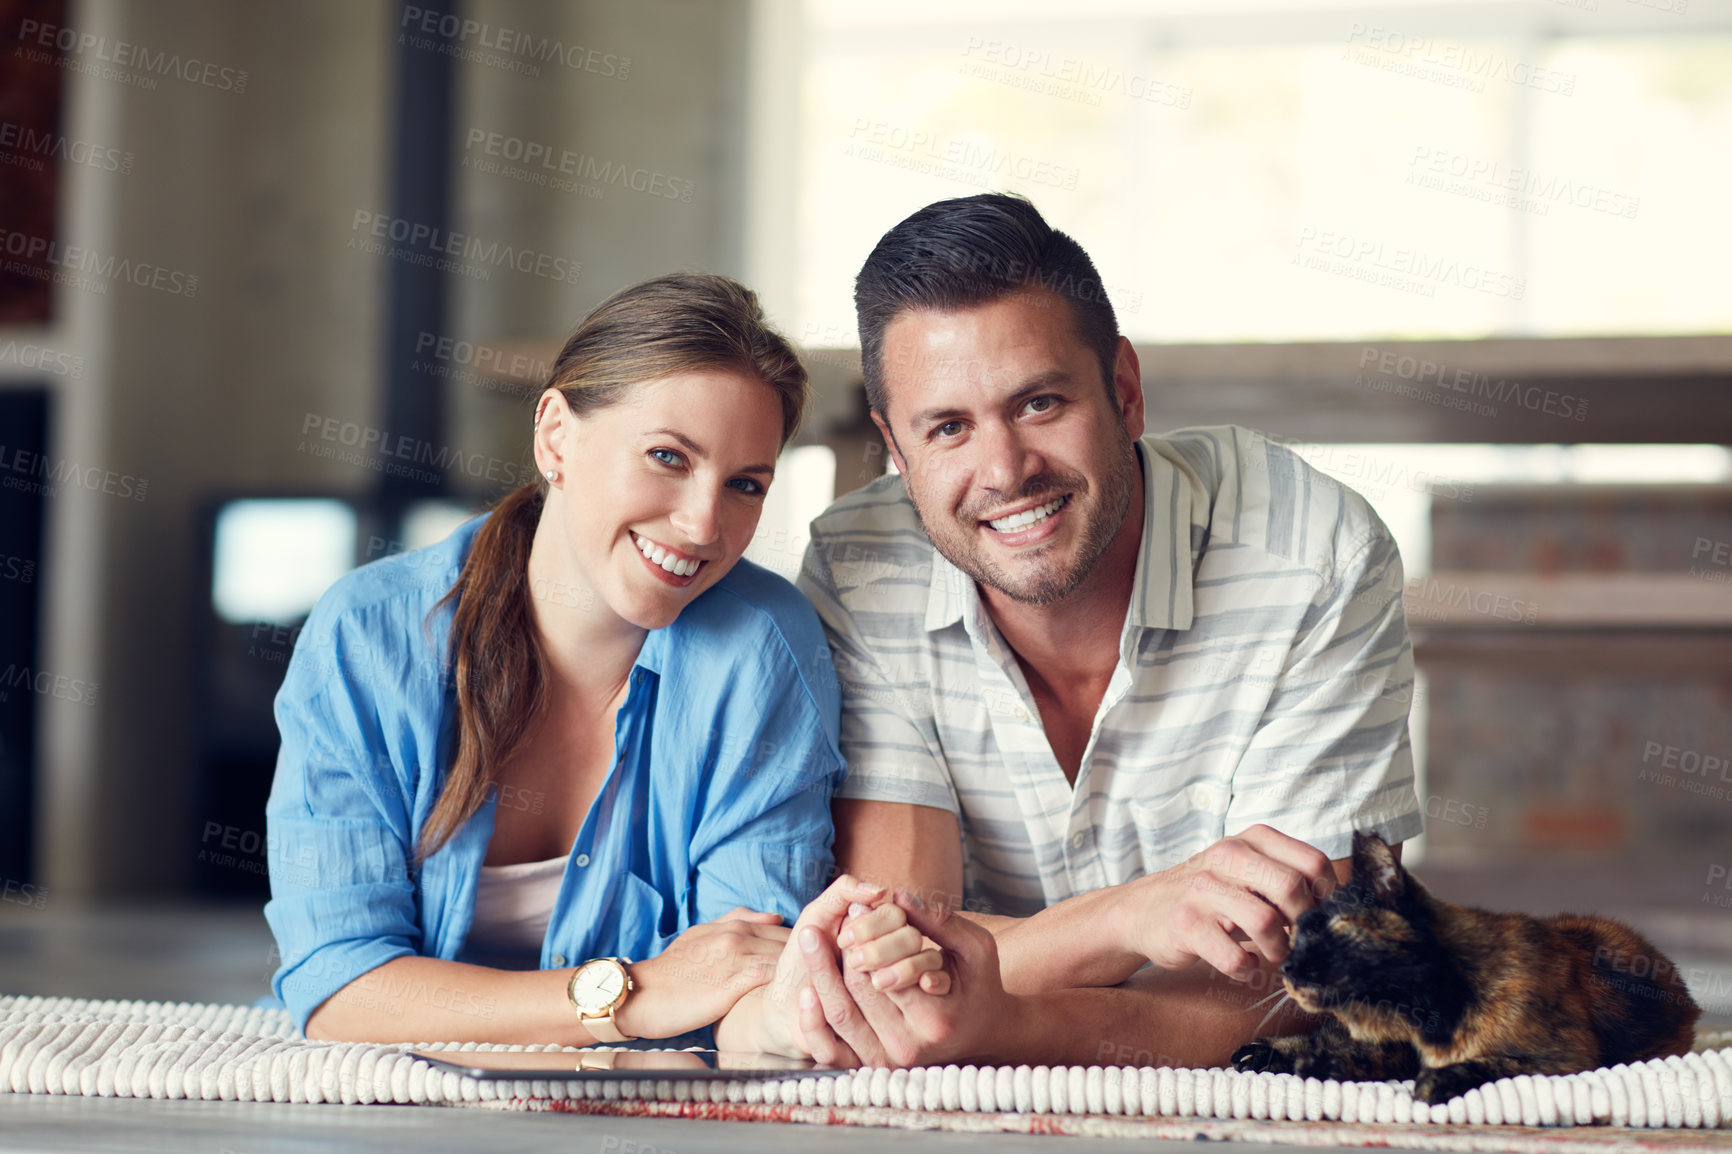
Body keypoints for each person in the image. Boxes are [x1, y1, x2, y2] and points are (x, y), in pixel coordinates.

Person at [789, 194, 1424, 1069]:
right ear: (895, 449)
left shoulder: (1312, 550)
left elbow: (1305, 980)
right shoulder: (859, 567)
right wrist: (1136, 914)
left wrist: (1006, 1020)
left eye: (1041, 403)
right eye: (947, 428)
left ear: (1123, 391)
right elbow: (897, 965)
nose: (1005, 471)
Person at [264, 273, 932, 1052]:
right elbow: (338, 988)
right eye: (666, 456)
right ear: (555, 435)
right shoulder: (367, 636)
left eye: (745, 484)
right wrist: (633, 995)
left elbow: (747, 975)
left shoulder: (762, 648)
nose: (702, 523)